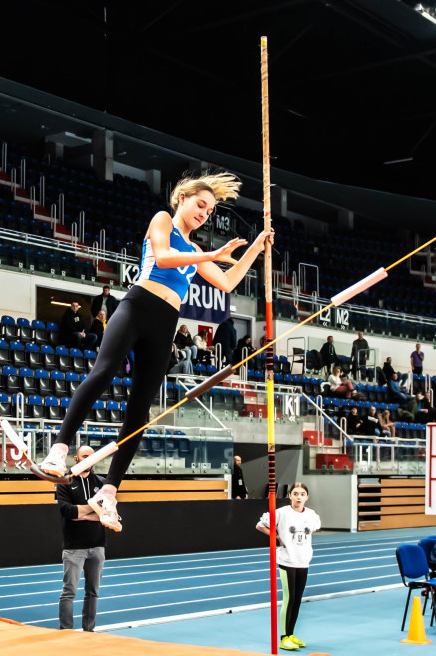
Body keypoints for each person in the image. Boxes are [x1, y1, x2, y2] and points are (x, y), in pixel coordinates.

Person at [37, 173, 272, 532]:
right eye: (200, 205)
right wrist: (209, 253)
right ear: (182, 199)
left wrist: (255, 248)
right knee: (103, 373)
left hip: (165, 325)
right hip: (136, 307)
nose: (204, 214)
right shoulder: (163, 221)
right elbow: (162, 258)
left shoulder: (194, 251)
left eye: (209, 211)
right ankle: (59, 448)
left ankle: (109, 493)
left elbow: (227, 282)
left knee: (140, 411)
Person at [256, 483, 320, 651]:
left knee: (298, 599)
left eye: (302, 494)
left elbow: (313, 529)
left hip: (303, 560)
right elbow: (260, 525)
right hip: (287, 561)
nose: (299, 497)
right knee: (289, 598)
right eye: (295, 493)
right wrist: (277, 536)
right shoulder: (281, 513)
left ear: (307, 497)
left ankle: (291, 634)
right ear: (290, 496)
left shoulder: (312, 515)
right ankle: (284, 638)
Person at [57, 446, 107, 632]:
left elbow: (105, 513)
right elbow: (67, 511)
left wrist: (82, 512)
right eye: (85, 456)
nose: (89, 459)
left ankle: (89, 631)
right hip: (74, 547)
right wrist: (93, 507)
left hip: (97, 545)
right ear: (76, 459)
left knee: (93, 592)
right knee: (69, 592)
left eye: (92, 457)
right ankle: (67, 632)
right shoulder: (65, 482)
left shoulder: (102, 483)